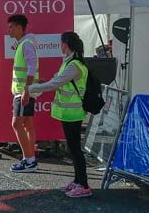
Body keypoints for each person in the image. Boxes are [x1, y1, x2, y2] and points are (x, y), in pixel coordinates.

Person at [26, 32, 92, 198]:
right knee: (72, 148)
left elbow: (56, 83)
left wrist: (30, 89)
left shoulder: (74, 65)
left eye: (61, 43)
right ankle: (77, 181)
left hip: (73, 112)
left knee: (75, 149)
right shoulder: (69, 63)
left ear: (66, 44)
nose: (60, 46)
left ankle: (84, 184)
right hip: (68, 112)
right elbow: (59, 79)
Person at [8, 14, 39, 172]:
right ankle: (30, 158)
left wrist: (26, 90)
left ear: (19, 27)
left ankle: (29, 160)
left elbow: (32, 67)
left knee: (17, 124)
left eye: (11, 26)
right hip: (25, 91)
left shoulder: (26, 44)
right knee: (27, 125)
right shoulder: (24, 43)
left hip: (24, 92)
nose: (9, 30)